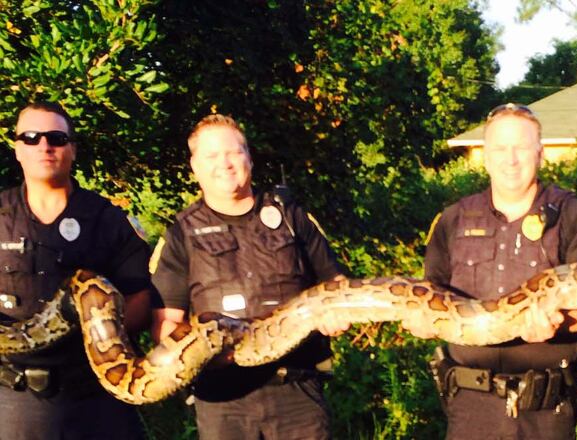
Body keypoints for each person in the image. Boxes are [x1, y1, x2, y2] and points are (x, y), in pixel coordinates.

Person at [151, 114, 345, 439]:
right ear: (195, 167)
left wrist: (335, 313)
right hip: (223, 400)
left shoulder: (292, 217)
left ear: (249, 158)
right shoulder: (180, 233)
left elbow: (335, 285)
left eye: (233, 152)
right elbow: (165, 324)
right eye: (211, 156)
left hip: (296, 392)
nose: (224, 163)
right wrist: (206, 354)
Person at [424, 103, 577, 439]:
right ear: (484, 154)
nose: (511, 159)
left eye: (522, 147)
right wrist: (424, 324)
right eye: (500, 148)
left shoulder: (572, 216)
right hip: (471, 405)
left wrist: (555, 326)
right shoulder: (453, 219)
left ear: (539, 153)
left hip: (545, 407)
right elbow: (429, 299)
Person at [0, 102, 153, 439]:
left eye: (56, 137)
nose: (44, 145)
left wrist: (100, 317)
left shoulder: (108, 219)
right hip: (14, 399)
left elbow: (142, 301)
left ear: (72, 149)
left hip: (95, 395)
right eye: (30, 137)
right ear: (17, 150)